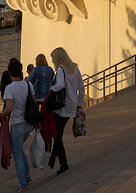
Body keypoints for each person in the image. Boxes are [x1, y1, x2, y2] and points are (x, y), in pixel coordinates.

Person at [48, 47, 84, 176]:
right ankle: (54, 159)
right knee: (59, 132)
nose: (52, 61)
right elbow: (81, 87)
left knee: (57, 135)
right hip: (72, 105)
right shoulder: (75, 68)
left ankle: (62, 163)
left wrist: (51, 88)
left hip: (62, 106)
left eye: (53, 58)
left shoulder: (60, 69)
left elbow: (60, 85)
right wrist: (79, 104)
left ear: (58, 58)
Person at [1, 58, 35, 193]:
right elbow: (33, 102)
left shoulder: (9, 88)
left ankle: (22, 185)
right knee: (19, 149)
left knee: (18, 154)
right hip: (29, 123)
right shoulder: (28, 85)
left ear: (10, 73)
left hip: (17, 124)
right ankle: (27, 177)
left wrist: (1, 115)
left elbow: (9, 108)